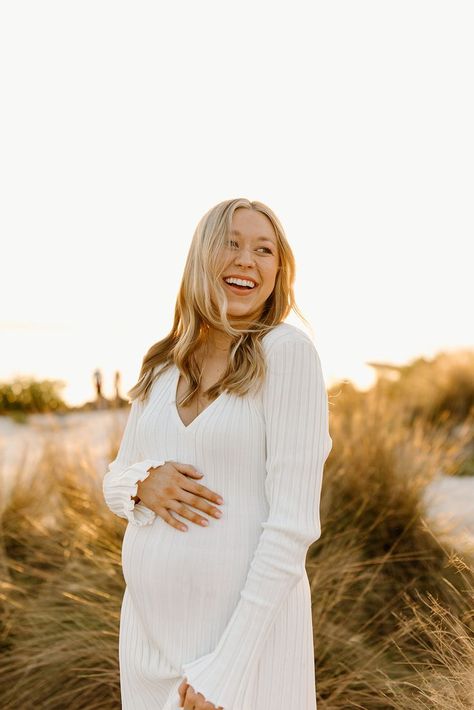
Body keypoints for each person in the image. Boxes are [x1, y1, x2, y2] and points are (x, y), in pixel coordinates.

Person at [102, 197, 333, 710]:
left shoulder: (287, 354)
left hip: (238, 658)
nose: (247, 260)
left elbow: (293, 525)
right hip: (146, 649)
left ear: (279, 270)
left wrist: (226, 669)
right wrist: (139, 483)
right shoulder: (163, 366)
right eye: (231, 243)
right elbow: (114, 480)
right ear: (201, 257)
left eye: (264, 249)